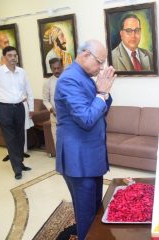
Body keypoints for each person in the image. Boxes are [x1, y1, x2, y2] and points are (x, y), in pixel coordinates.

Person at [55, 39, 116, 240]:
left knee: (94, 209)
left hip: (90, 157)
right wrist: (102, 93)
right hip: (79, 160)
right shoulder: (69, 80)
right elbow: (87, 119)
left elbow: (100, 110)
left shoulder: (85, 77)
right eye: (100, 61)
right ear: (85, 55)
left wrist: (104, 93)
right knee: (87, 214)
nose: (101, 67)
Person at [0, 46, 33, 180]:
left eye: (15, 55)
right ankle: (17, 169)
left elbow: (28, 91)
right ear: (4, 57)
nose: (13, 58)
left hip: (19, 107)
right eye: (10, 55)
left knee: (20, 137)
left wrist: (31, 108)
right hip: (4, 109)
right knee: (11, 139)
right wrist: (3, 106)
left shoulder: (22, 72)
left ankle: (19, 163)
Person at [42, 57, 64, 145]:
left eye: (58, 68)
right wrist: (52, 110)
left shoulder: (69, 79)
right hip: (55, 117)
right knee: (57, 143)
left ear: (62, 66)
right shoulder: (48, 82)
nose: (56, 70)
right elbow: (45, 100)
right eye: (54, 68)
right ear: (51, 69)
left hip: (69, 117)